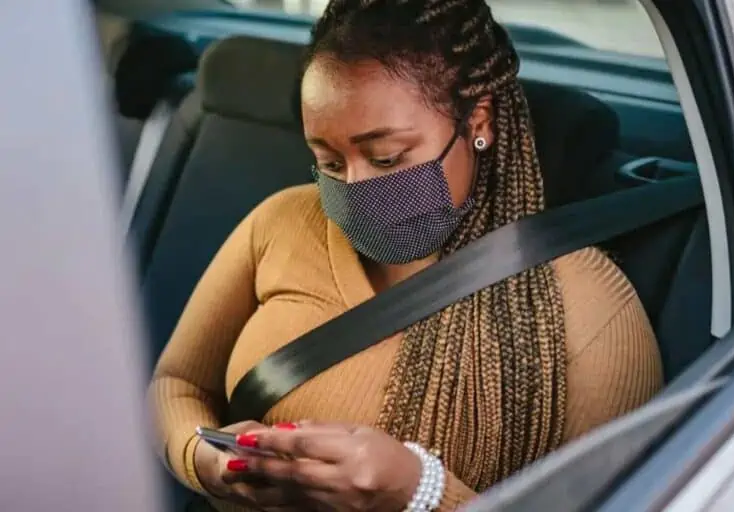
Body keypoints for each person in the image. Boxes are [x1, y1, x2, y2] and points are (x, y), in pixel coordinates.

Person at [148, 0, 664, 510]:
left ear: (478, 122)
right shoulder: (280, 223)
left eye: (386, 158)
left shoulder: (586, 311)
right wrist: (202, 460)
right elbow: (178, 382)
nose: (355, 188)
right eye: (329, 162)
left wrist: (419, 493)